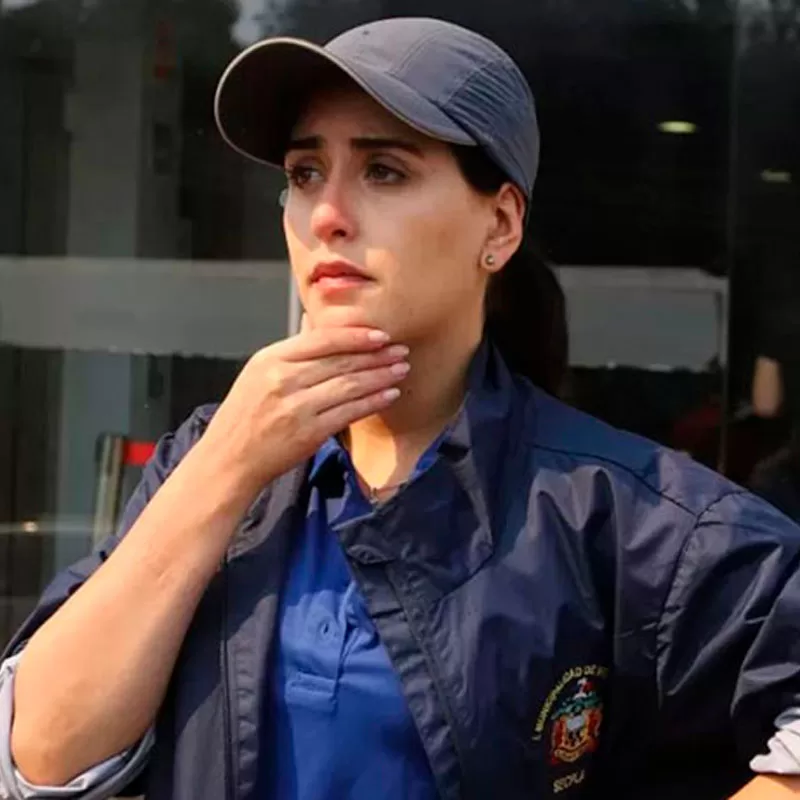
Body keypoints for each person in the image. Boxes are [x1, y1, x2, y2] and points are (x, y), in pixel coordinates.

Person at [2, 17, 800, 800]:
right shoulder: (209, 462)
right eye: (304, 173)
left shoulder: (616, 513)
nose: (327, 215)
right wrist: (225, 469)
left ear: (499, 225)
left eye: (383, 171)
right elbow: (40, 756)